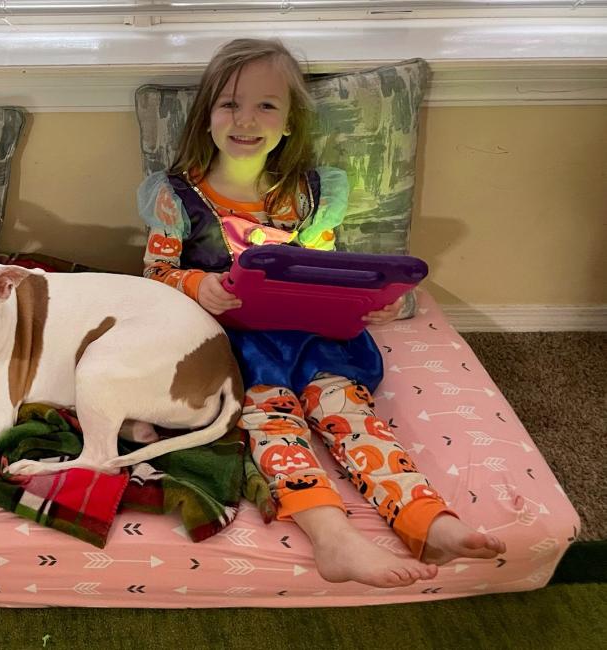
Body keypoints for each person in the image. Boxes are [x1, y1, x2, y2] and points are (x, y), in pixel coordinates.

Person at [137, 39, 505, 588]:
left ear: (288, 123)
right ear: (207, 116)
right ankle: (333, 537)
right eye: (230, 104)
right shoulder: (176, 196)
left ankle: (425, 518)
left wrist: (372, 299)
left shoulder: (310, 193)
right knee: (273, 423)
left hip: (311, 338)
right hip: (235, 344)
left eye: (266, 106)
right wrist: (198, 283)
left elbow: (324, 269)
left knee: (351, 413)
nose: (246, 119)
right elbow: (154, 275)